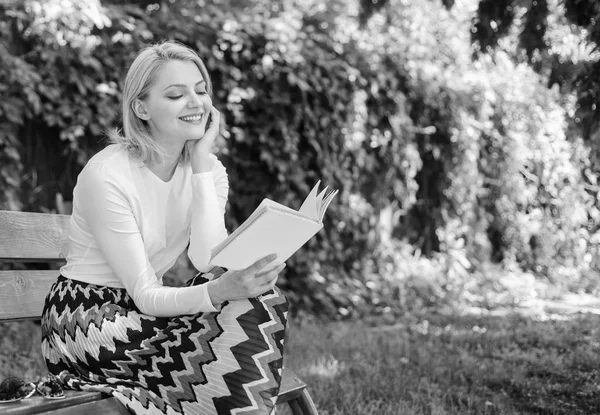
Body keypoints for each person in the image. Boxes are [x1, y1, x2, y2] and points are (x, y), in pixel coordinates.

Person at [40, 40, 288, 415]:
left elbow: (209, 259)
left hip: (145, 316)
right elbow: (145, 294)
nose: (196, 102)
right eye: (176, 94)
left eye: (201, 90)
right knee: (220, 325)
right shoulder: (107, 175)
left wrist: (201, 161)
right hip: (86, 321)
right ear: (141, 108)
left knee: (260, 297)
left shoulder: (209, 171)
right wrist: (219, 289)